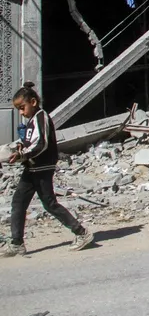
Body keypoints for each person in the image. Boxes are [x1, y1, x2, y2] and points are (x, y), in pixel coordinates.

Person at [2, 83, 94, 257]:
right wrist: (21, 148)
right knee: (18, 202)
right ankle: (17, 243)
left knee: (49, 204)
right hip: (32, 168)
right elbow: (31, 142)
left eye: (22, 108)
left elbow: (41, 144)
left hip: (42, 167)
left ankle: (82, 233)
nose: (21, 112)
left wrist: (22, 155)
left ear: (33, 102)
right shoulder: (31, 121)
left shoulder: (40, 116)